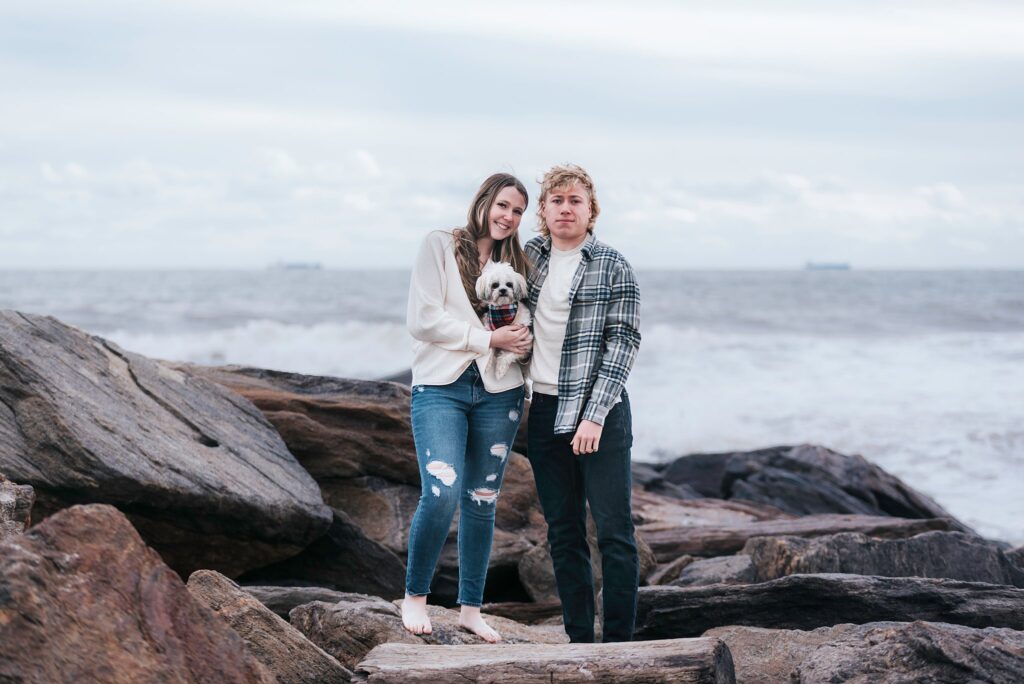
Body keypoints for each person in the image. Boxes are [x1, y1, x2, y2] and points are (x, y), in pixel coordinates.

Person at [402, 173, 533, 643]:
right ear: (483, 202)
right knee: (441, 492)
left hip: (502, 390)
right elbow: (422, 318)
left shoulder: (514, 263)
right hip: (441, 386)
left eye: (517, 211)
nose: (508, 217)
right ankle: (414, 597)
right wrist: (487, 338)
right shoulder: (438, 245)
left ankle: (471, 609)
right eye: (502, 205)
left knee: (482, 500)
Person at [524, 164, 641, 643]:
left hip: (600, 414)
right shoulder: (528, 257)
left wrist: (593, 415)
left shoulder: (613, 264)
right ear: (543, 211)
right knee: (563, 532)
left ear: (591, 211)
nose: (565, 209)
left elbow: (624, 342)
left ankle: (617, 644)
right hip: (545, 410)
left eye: (575, 201)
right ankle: (579, 640)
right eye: (556, 201)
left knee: (614, 532)